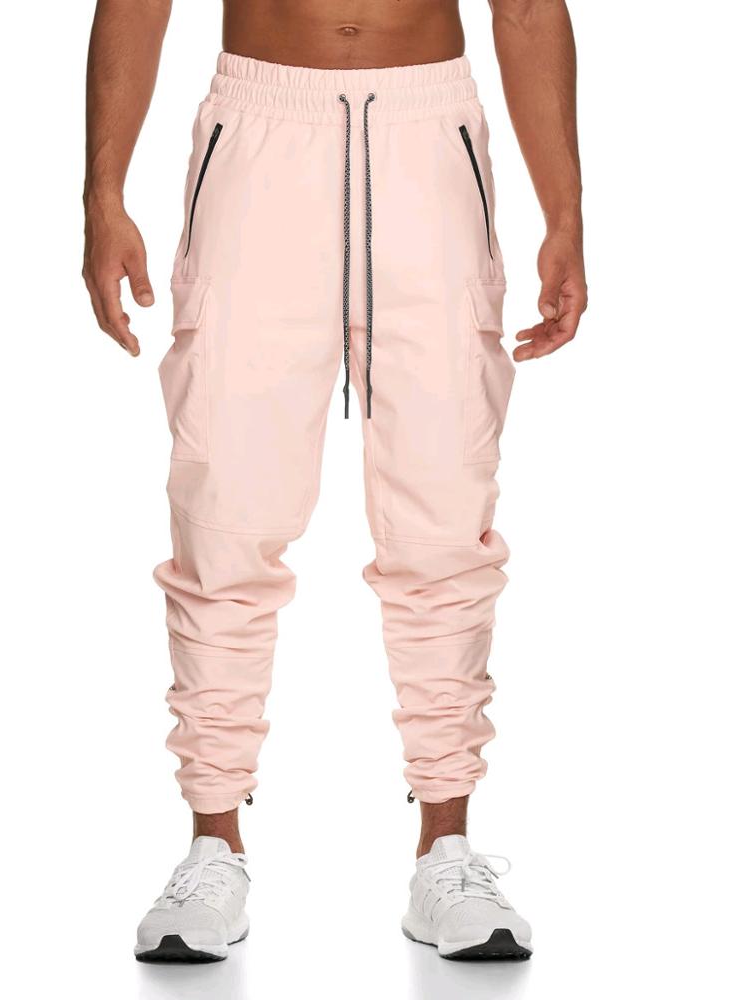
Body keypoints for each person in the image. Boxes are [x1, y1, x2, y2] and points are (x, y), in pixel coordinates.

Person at [83, 0, 586, 963]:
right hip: (261, 130)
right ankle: (212, 844)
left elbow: (524, 6)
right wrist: (103, 194)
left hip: (428, 134)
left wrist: (565, 211)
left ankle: (446, 850)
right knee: (225, 508)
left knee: (445, 513)